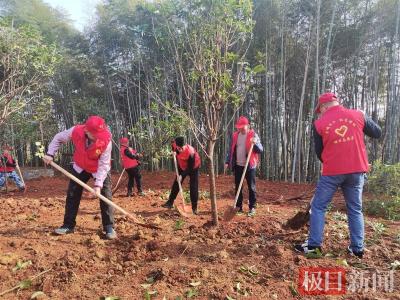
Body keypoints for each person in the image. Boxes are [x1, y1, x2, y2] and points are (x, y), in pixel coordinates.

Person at [294, 92, 382, 258]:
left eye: (320, 110)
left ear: (324, 107)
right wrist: (365, 116)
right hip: (357, 171)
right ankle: (357, 249)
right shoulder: (357, 115)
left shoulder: (319, 124)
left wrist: (330, 161)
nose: (319, 113)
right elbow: (377, 132)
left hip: (332, 172)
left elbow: (319, 152)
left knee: (318, 207)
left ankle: (314, 247)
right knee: (355, 209)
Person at [43, 116, 116, 239]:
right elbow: (58, 138)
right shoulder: (76, 131)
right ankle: (68, 225)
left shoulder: (106, 140)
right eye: (95, 134)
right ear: (87, 131)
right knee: (72, 195)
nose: (98, 136)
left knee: (105, 195)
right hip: (80, 166)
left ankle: (109, 227)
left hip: (99, 168)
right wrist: (50, 154)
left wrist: (98, 185)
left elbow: (103, 165)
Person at [225, 116, 263, 217]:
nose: (241, 129)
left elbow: (260, 149)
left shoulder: (253, 135)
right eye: (239, 127)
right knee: (238, 187)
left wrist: (255, 144)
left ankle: (252, 207)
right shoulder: (235, 136)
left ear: (248, 125)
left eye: (243, 127)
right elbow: (231, 149)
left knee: (251, 187)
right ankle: (238, 207)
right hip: (238, 165)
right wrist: (227, 161)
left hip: (249, 165)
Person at [162, 137, 201, 215]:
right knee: (176, 183)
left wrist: (182, 176)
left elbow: (190, 168)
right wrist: (173, 152)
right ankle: (170, 202)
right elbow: (173, 144)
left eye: (180, 148)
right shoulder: (175, 145)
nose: (179, 150)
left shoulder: (191, 152)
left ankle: (194, 208)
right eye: (178, 148)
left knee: (193, 186)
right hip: (182, 166)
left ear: (183, 146)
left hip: (193, 167)